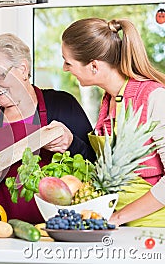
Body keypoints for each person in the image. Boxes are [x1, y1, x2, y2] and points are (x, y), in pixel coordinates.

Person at [0, 33, 95, 224]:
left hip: (58, 230)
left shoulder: (61, 104)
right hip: (0, 233)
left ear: (22, 69)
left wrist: (71, 143)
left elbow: (95, 165)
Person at [61, 17, 165, 227]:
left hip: (154, 230)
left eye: (68, 62)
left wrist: (116, 218)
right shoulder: (109, 99)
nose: (64, 68)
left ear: (93, 66)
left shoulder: (154, 97)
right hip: (121, 225)